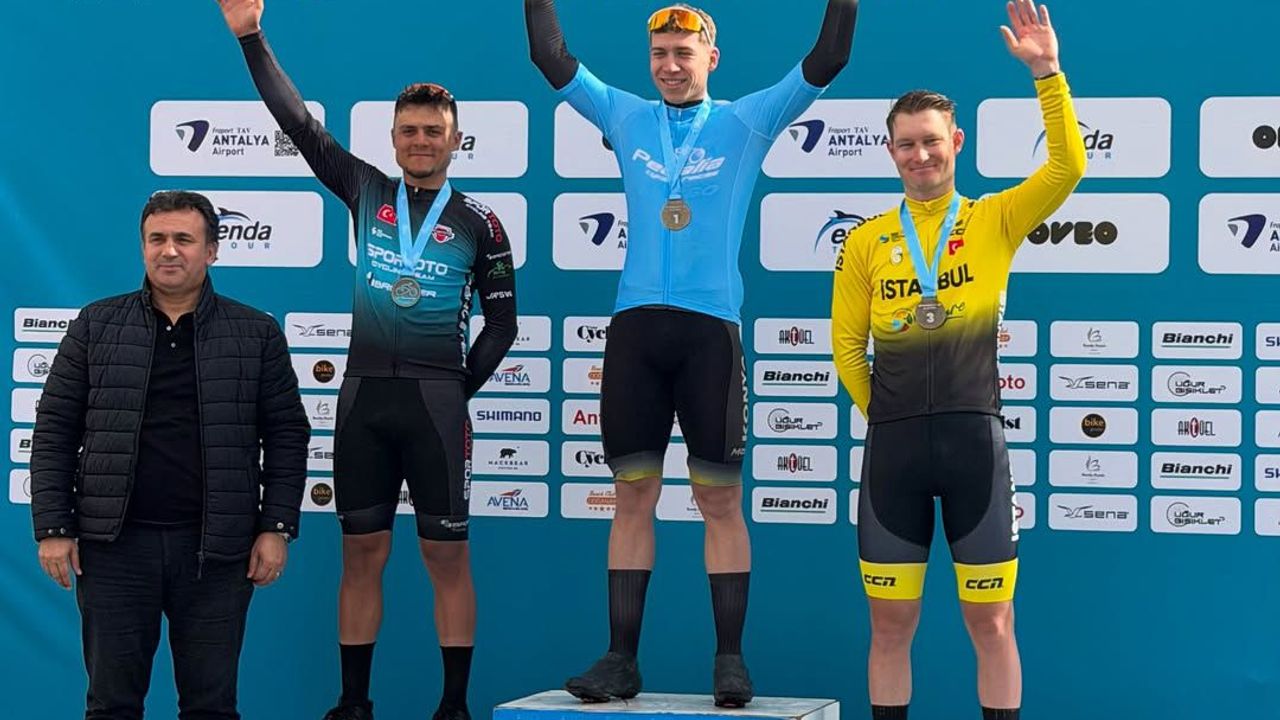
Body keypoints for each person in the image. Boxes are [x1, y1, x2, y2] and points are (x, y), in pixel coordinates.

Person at [525, 0, 857, 707]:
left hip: (711, 335)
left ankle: (730, 661)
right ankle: (620, 660)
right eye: (660, 55)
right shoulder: (624, 116)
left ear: (712, 58)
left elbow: (827, 58)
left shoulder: (747, 120)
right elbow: (550, 57)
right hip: (636, 332)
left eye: (684, 53)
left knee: (719, 499)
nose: (670, 66)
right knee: (632, 496)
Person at [216, 2, 519, 719]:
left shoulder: (481, 222)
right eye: (409, 131)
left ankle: (453, 707)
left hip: (435, 408)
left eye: (433, 132)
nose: (421, 141)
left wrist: (454, 389)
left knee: (447, 558)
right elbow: (300, 125)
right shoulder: (366, 190)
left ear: (456, 141)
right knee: (360, 556)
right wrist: (252, 37)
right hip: (362, 403)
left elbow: (502, 325)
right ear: (393, 138)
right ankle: (354, 702)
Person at [831, 2, 1086, 719]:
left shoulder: (994, 219)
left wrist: (1047, 73)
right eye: (907, 144)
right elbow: (847, 345)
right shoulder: (866, 241)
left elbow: (1068, 166)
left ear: (956, 142)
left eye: (932, 142)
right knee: (889, 627)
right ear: (890, 151)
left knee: (993, 624)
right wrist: (887, 414)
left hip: (976, 446)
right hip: (894, 453)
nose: (921, 155)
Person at [30, 189, 310, 720]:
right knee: (111, 705)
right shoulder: (96, 325)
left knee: (211, 707)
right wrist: (53, 527)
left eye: (184, 238)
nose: (169, 250)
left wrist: (276, 527)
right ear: (143, 248)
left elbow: (287, 436)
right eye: (157, 239)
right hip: (113, 550)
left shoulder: (256, 332)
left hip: (217, 553)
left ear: (212, 250)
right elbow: (54, 430)